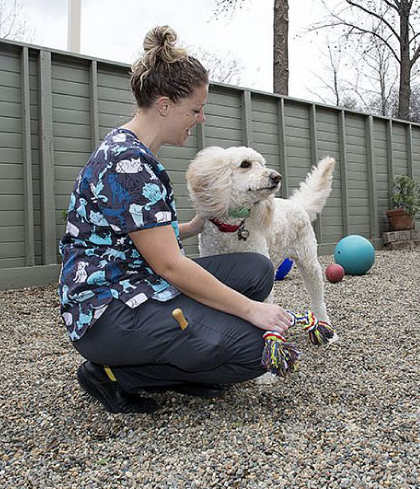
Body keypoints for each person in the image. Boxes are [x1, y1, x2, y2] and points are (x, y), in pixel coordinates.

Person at [58, 26, 293, 414]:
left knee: (256, 268)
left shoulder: (135, 152)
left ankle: (189, 355)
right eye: (195, 109)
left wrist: (196, 225)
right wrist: (251, 310)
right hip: (108, 311)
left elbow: (142, 236)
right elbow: (169, 263)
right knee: (257, 351)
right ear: (164, 105)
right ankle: (118, 374)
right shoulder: (128, 164)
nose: (200, 119)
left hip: (141, 284)